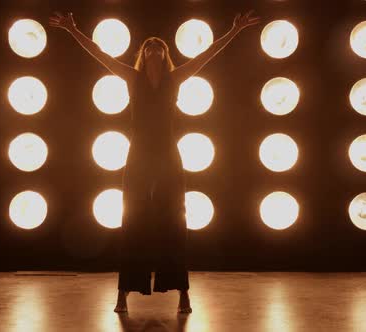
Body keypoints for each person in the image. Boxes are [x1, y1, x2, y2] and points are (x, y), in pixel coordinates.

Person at [49, 10, 260, 314]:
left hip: (167, 154)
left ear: (165, 54)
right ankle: (123, 293)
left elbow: (208, 54)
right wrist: (72, 29)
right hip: (139, 154)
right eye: (149, 46)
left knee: (174, 221)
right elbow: (99, 54)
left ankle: (182, 294)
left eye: (159, 46)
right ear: (143, 53)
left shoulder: (175, 79)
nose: (154, 48)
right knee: (132, 220)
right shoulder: (132, 78)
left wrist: (235, 30)